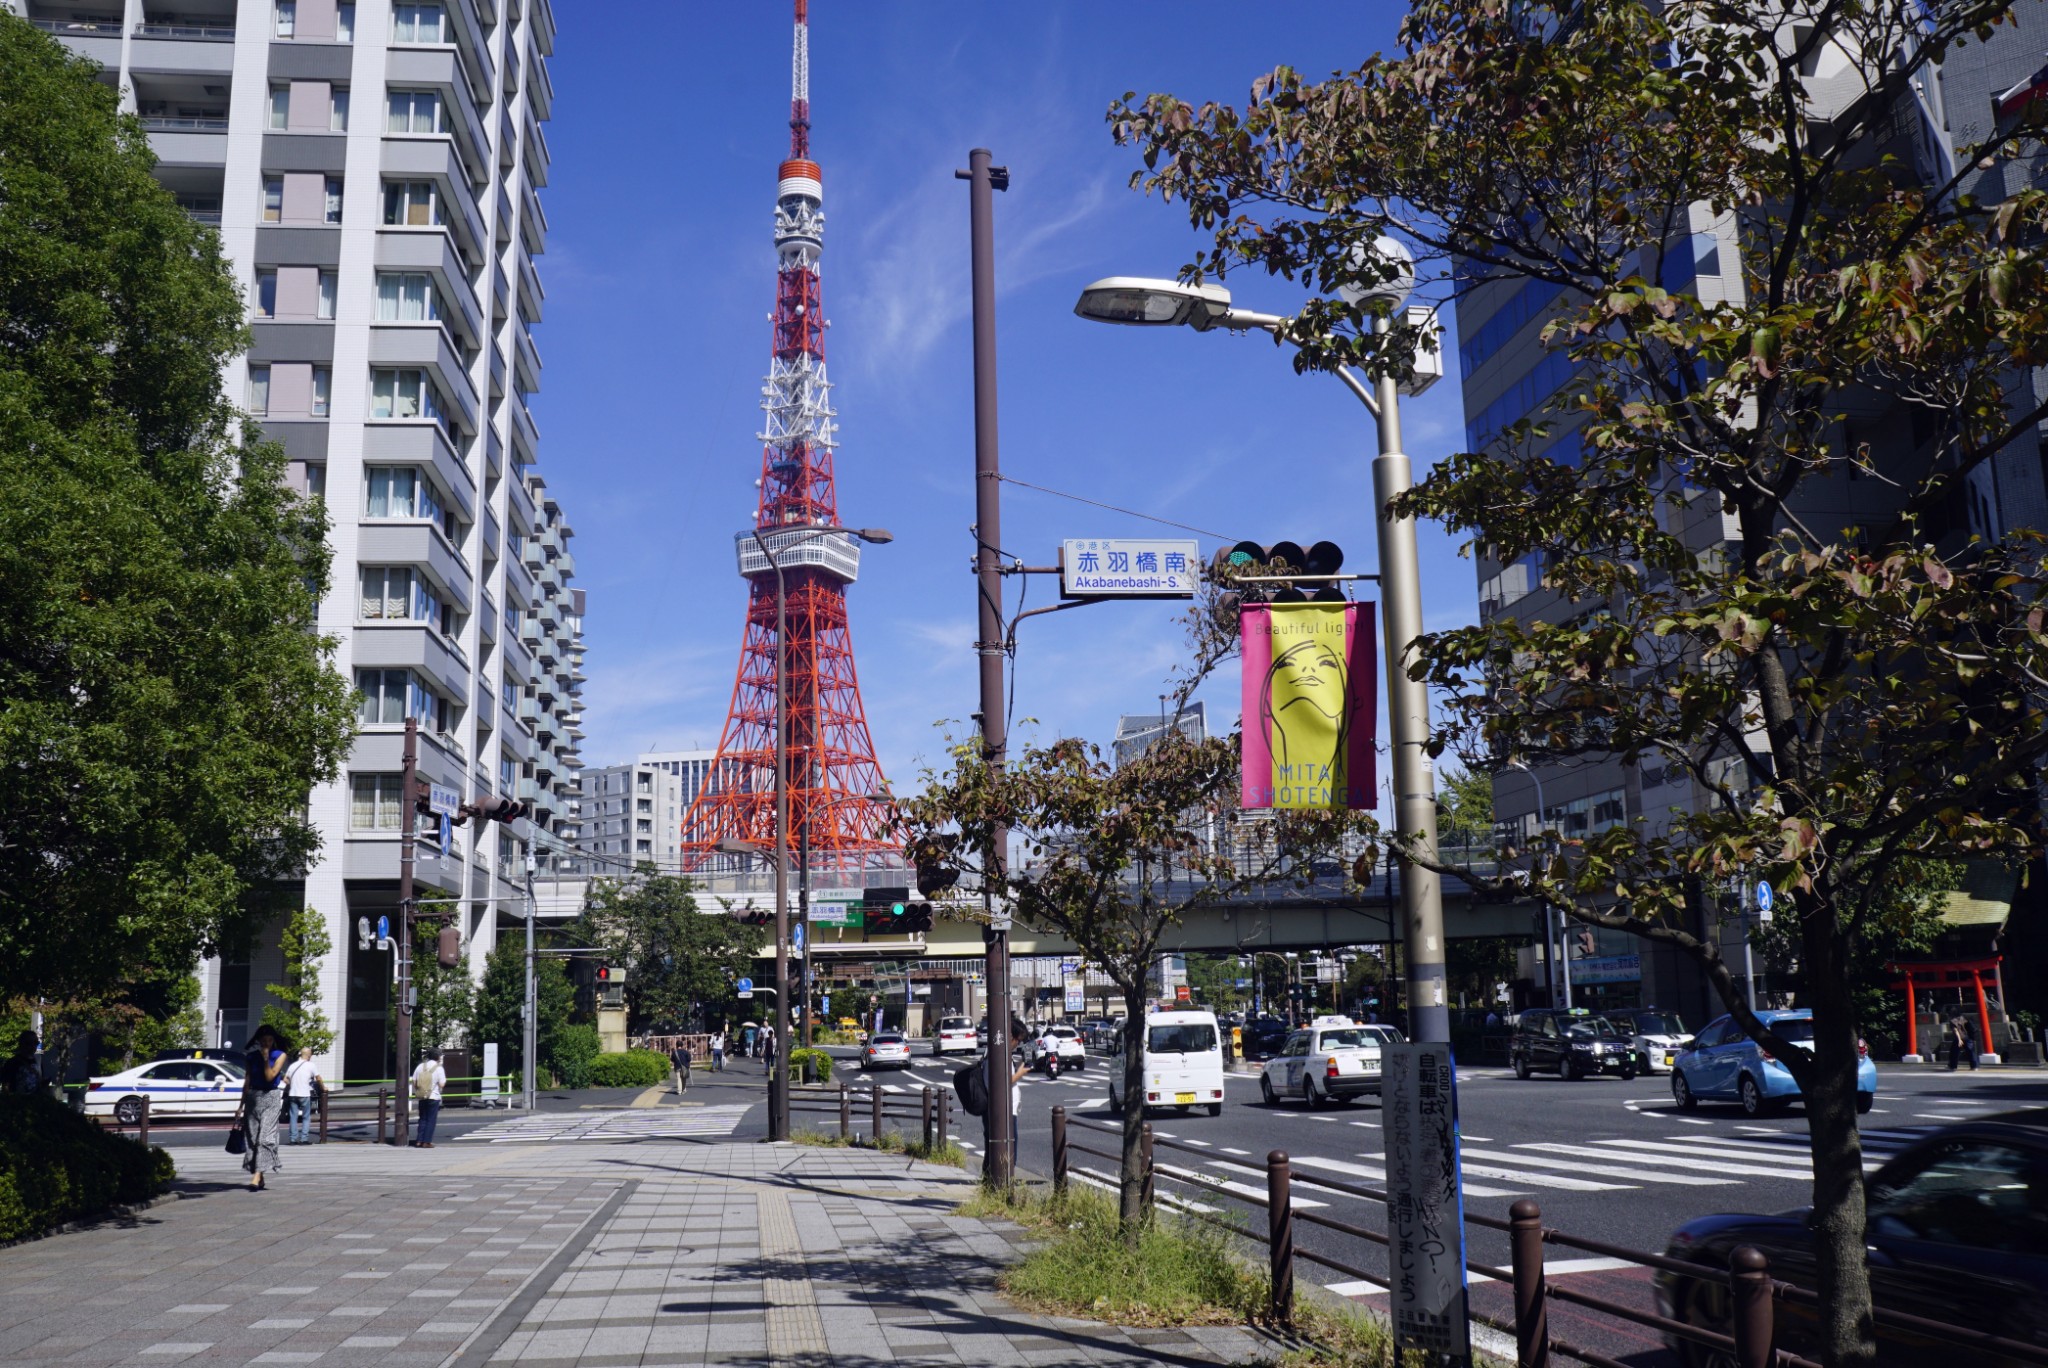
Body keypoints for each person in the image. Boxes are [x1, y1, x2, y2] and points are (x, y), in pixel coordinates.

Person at [239, 1025, 289, 1190]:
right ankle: (260, 1175)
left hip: (271, 1097)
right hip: (253, 1098)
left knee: (264, 1138)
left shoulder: (280, 1055)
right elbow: (247, 1081)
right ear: (259, 1041)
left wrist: (266, 1059)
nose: (267, 1043)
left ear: (273, 1040)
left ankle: (256, 1176)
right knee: (253, 1139)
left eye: (269, 1040)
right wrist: (241, 1105)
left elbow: (270, 1077)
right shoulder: (251, 1057)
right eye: (264, 1040)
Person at [982, 1050, 1031, 1182]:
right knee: (1008, 1144)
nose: (1017, 1044)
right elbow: (1003, 1082)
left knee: (998, 1144)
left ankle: (993, 1180)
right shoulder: (998, 1056)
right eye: (1017, 1039)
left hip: (1006, 1107)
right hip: (1004, 1107)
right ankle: (1002, 1180)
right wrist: (1020, 1072)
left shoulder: (997, 1055)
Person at [410, 1049, 447, 1147]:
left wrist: (420, 1089)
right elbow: (442, 1084)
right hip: (433, 1096)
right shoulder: (439, 1068)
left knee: (422, 1118)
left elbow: (414, 1081)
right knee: (431, 1120)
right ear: (438, 1057)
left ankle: (419, 1141)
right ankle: (426, 1142)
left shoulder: (420, 1066)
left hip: (422, 1096)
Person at [283, 1047, 320, 1145]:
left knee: (293, 1117)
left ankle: (293, 1139)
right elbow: (318, 1078)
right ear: (308, 1055)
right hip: (304, 1093)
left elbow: (285, 1079)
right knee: (306, 1117)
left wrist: (293, 1084)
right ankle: (304, 1139)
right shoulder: (311, 1065)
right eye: (310, 1054)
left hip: (293, 1094)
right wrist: (323, 1087)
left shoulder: (293, 1065)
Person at [5, 1031, 39, 1095]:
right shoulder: (12, 1063)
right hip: (17, 1103)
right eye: (28, 1043)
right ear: (21, 1044)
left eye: (35, 1043)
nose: (33, 1046)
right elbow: (6, 1086)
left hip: (34, 1103)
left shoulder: (38, 1062)